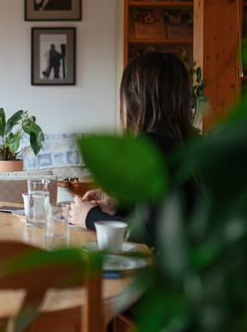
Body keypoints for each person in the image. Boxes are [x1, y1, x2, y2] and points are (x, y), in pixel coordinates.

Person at [67, 51, 197, 244]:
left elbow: (156, 234)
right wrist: (117, 207)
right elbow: (162, 211)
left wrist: (91, 218)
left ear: (136, 99)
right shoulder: (189, 140)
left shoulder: (148, 145)